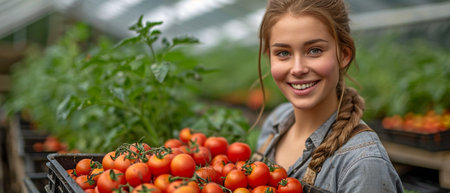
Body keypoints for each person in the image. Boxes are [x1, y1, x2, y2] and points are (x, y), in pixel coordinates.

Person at [255, 0, 404, 192]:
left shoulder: (362, 165)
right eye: (283, 53)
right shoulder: (275, 123)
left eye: (315, 50)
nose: (298, 69)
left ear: (343, 55)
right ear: (270, 57)